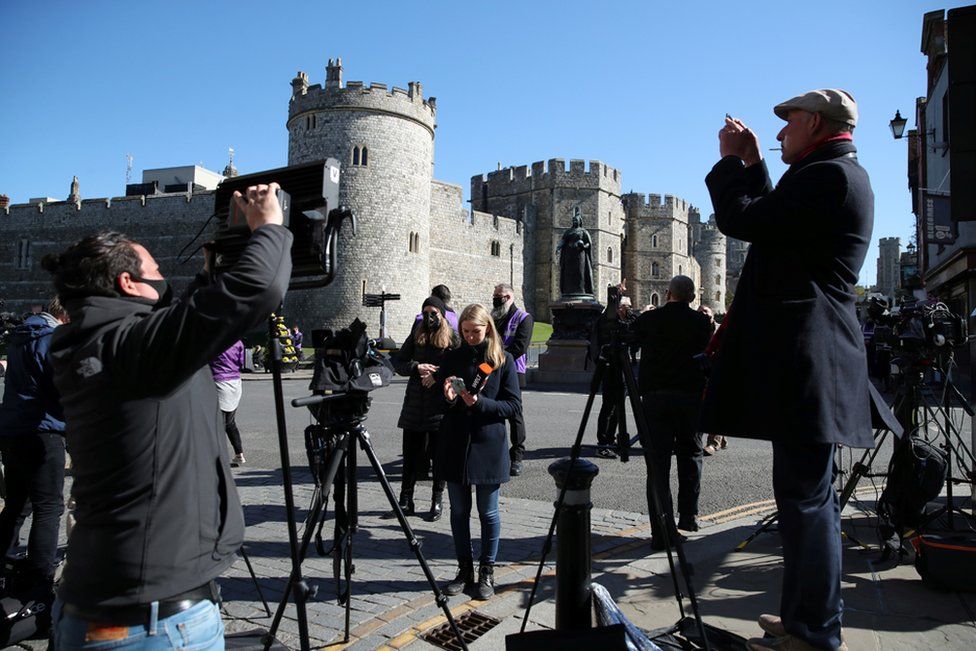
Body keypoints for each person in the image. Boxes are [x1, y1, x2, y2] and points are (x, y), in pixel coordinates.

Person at [44, 182, 291, 649]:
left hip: (102, 602)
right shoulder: (131, 348)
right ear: (127, 283)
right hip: (152, 622)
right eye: (156, 270)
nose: (163, 279)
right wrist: (270, 229)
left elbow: (177, 325)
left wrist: (211, 272)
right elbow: (259, 289)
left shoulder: (94, 342)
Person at [704, 90, 884, 651]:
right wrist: (756, 164)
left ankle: (815, 633)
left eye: (786, 127)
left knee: (807, 503)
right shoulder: (831, 174)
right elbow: (774, 224)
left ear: (812, 123)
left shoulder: (830, 177)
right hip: (815, 361)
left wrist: (733, 162)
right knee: (807, 501)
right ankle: (805, 617)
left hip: (813, 361)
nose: (778, 135)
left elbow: (745, 219)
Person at [437, 304, 521, 600]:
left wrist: (480, 403)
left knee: (487, 512)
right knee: (459, 512)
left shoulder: (503, 360)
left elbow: (512, 406)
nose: (471, 337)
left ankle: (487, 570)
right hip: (456, 443)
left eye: (476, 331)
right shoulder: (453, 358)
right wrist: (448, 397)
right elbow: (439, 401)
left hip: (488, 444)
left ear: (488, 329)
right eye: (466, 332)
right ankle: (464, 570)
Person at [632, 276, 713, 549]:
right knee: (691, 455)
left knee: (658, 466)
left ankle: (661, 530)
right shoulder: (702, 323)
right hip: (690, 398)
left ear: (668, 294)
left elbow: (628, 339)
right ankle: (688, 515)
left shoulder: (650, 320)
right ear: (692, 297)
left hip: (655, 399)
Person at [0, 297, 69, 603]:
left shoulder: (22, 335)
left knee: (15, 506)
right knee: (48, 508)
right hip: (44, 429)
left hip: (13, 428)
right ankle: (40, 581)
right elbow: (61, 385)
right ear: (65, 317)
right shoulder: (52, 339)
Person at [391, 296, 460, 521]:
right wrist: (417, 367)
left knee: (438, 457)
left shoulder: (451, 336)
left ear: (441, 315)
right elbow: (398, 363)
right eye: (426, 313)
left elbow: (459, 366)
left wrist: (438, 376)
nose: (429, 318)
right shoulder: (416, 334)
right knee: (410, 456)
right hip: (414, 404)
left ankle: (436, 501)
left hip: (438, 406)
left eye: (434, 313)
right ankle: (405, 500)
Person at [588, 281, 637, 458]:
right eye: (626, 306)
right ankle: (603, 443)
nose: (629, 309)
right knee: (608, 407)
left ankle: (610, 438)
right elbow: (610, 308)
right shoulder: (607, 320)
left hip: (623, 370)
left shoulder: (625, 322)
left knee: (619, 407)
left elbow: (635, 333)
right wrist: (616, 292)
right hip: (610, 368)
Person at [491, 283, 533, 476]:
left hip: (514, 371)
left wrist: (497, 359)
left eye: (498, 296)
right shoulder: (493, 317)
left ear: (509, 297)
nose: (495, 299)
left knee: (515, 415)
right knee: (491, 412)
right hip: (492, 371)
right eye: (494, 296)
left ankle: (516, 456)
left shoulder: (524, 318)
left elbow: (520, 347)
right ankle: (495, 454)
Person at [210, 340, 247, 466]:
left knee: (218, 424)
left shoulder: (216, 341)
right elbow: (241, 363)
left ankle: (219, 457)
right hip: (235, 382)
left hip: (219, 381)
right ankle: (239, 454)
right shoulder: (238, 342)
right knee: (230, 422)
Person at [696, 306, 725, 456]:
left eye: (706, 311)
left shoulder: (720, 329)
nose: (703, 314)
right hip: (700, 371)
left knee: (716, 403)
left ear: (712, 314)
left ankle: (714, 442)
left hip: (718, 370)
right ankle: (720, 436)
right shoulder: (694, 330)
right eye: (700, 312)